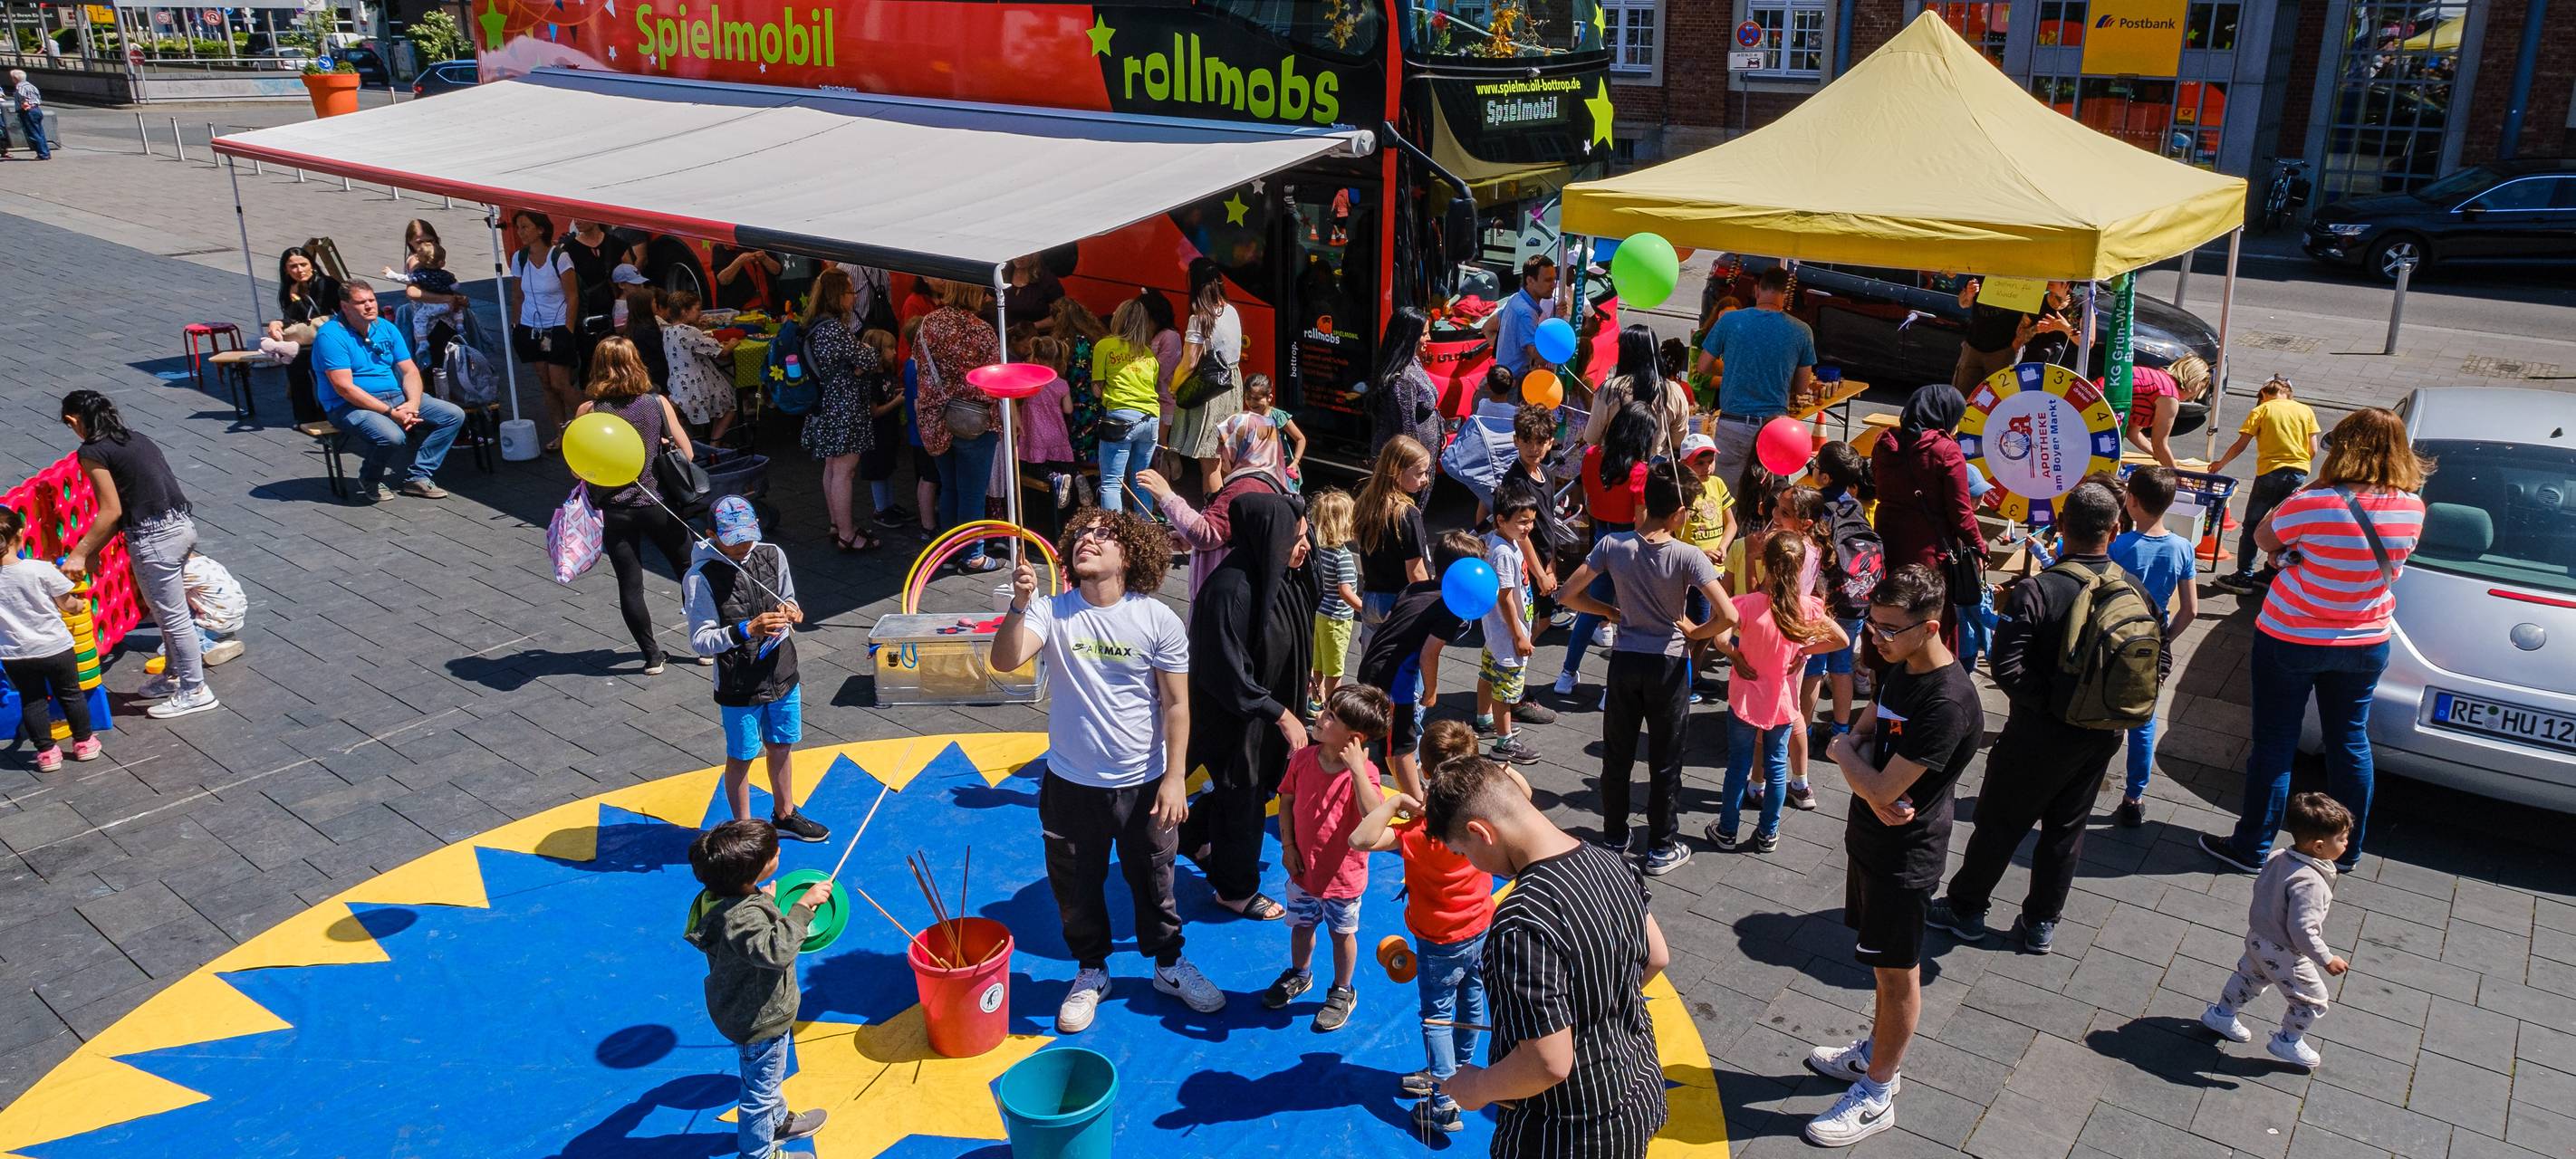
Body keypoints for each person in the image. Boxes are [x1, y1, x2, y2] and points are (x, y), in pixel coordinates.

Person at [987, 508, 1230, 1030]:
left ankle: (1168, 965)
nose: (1088, 541)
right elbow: (1005, 661)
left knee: (1155, 882)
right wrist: (1018, 605)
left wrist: (1173, 778)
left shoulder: (1156, 618)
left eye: (1104, 536)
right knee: (1075, 886)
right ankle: (1092, 971)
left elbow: (1177, 706)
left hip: (1144, 784)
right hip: (1071, 784)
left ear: (1130, 555)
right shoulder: (1049, 611)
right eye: (1082, 535)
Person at [2202, 408, 2426, 876]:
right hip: (2365, 643)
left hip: (2291, 637)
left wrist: (2294, 552)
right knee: (2349, 743)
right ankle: (2347, 850)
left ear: (2343, 447)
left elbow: (2264, 539)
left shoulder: (2315, 500)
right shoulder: (2412, 507)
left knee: (2274, 744)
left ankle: (2251, 848)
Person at [1805, 564, 1984, 1148]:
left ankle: (1879, 1090)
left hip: (1906, 856)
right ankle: (1875, 1052)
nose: (1874, 639)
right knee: (1880, 968)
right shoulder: (1899, 667)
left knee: (1896, 973)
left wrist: (1848, 762)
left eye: (1887, 629)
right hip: (1872, 841)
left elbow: (1877, 781)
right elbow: (1860, 735)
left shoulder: (1949, 703)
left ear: (1929, 627)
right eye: (1872, 625)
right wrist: (1856, 762)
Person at [1926, 480, 2140, 955]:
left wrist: (2048, 707)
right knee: (2067, 830)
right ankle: (2041, 922)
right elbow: (2156, 662)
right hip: (2100, 735)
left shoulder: (2039, 590)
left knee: (2001, 822)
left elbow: (2007, 665)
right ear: (2116, 529)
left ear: (2061, 527)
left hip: (2038, 735)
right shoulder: (2133, 590)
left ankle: (1965, 909)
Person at [1431, 756, 1671, 1157]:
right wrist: (1590, 1009)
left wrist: (1478, 1087)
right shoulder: (1610, 862)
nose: (1472, 865)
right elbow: (1657, 956)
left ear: (1480, 831)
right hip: (1635, 1086)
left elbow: (1548, 1065)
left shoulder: (1520, 924)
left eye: (1462, 851)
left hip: (1567, 1130)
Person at [1560, 466, 1735, 874]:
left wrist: (1607, 611)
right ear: (1676, 513)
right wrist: (1696, 633)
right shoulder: (1688, 555)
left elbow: (1568, 593)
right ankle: (1660, 847)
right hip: (1668, 667)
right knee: (1665, 760)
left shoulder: (1613, 545)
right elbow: (1727, 614)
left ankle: (1615, 836)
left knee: (1617, 756)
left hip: (1624, 663)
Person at [1348, 721, 1501, 1135]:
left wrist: (1393, 803)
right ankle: (1459, 1076)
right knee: (1472, 1002)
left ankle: (1444, 1100)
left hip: (1439, 939)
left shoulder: (1419, 830)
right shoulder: (1479, 821)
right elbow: (1522, 790)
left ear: (1425, 769)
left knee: (1436, 1015)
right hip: (1481, 926)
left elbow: (1360, 840)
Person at [1180, 493, 1314, 924]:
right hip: (1238, 719)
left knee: (1250, 790)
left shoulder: (1277, 575)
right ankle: (1234, 890)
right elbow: (1226, 671)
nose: (1305, 546)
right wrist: (1279, 712)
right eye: (1295, 538)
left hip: (1267, 712)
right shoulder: (1229, 591)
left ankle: (1193, 834)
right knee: (1245, 795)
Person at [57, 391, 218, 719]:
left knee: (172, 618)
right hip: (180, 527)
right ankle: (174, 675)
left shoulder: (92, 451)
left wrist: (80, 552)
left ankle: (195, 689)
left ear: (74, 421)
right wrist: (96, 549)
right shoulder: (135, 438)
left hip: (154, 541)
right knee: (167, 613)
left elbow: (111, 510)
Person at [683, 496, 830, 845]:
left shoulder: (772, 554)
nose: (745, 546)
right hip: (739, 684)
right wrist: (746, 630)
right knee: (742, 755)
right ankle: (745, 830)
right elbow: (701, 641)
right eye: (735, 541)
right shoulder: (699, 578)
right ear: (711, 535)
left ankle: (785, 813)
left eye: (749, 537)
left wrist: (792, 611)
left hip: (782, 671)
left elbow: (789, 597)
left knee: (781, 745)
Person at [682, 819, 831, 1158]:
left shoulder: (717, 897)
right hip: (759, 1019)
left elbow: (741, 925)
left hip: (742, 1007)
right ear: (751, 873)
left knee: (766, 1078)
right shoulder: (743, 918)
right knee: (758, 1094)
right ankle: (760, 1153)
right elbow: (776, 951)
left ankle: (776, 1121)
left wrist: (760, 900)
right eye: (771, 854)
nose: (778, 851)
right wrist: (803, 907)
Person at [1263, 684, 1392, 1032]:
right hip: (1304, 871)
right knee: (1301, 925)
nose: (1320, 716)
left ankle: (1342, 990)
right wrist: (1288, 848)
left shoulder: (1365, 774)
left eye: (1331, 715)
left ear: (1355, 737)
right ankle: (1300, 974)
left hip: (1343, 878)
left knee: (1341, 934)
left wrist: (1355, 768)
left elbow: (1374, 815)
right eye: (1325, 709)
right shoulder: (1305, 758)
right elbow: (1286, 801)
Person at [1709, 534, 1849, 855]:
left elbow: (1719, 640)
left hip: (1744, 699)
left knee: (1738, 766)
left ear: (1764, 564)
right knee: (1776, 766)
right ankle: (1768, 833)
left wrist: (1736, 656)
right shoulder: (1806, 608)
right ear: (1800, 568)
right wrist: (1806, 652)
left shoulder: (1744, 605)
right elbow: (1841, 640)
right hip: (1783, 704)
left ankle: (1727, 830)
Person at [2200, 791, 2354, 1072]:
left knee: (2249, 978)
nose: (2347, 843)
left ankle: (2221, 1014)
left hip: (2259, 938)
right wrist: (2326, 958)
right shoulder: (2310, 883)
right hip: (2285, 950)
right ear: (2319, 846)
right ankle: (2288, 1040)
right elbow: (2303, 931)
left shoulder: (2281, 855)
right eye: (2342, 839)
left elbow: (2261, 889)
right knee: (2312, 999)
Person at [576, 337, 695, 674]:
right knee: (689, 571)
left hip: (614, 509)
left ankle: (652, 656)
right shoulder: (656, 404)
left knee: (630, 584)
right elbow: (688, 454)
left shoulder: (589, 411)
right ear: (636, 362)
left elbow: (577, 468)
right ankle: (704, 646)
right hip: (658, 502)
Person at [1357, 531, 1488, 800]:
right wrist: (1431, 690)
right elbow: (1429, 653)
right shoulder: (1451, 608)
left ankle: (1405, 789)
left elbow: (1392, 621)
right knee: (1403, 744)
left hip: (1373, 662)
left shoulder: (1415, 587)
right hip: (1394, 679)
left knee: (1388, 739)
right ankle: (1417, 803)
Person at [311, 280, 467, 503]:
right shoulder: (331, 336)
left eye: (371, 300)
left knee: (452, 415)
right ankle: (370, 478)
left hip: (395, 397)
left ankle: (418, 476)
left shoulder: (385, 327)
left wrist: (412, 404)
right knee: (392, 437)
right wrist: (390, 413)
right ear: (345, 306)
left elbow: (410, 371)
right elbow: (344, 388)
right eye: (360, 302)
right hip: (349, 405)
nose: (369, 306)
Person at [1550, 404, 1659, 701]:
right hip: (1628, 542)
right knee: (1627, 615)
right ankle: (1610, 690)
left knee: (1591, 608)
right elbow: (1640, 519)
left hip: (1601, 535)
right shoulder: (1639, 471)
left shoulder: (1591, 455)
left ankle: (1566, 673)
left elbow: (1587, 495)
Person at [2108, 466, 2197, 828]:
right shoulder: (2182, 548)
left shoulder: (2118, 547)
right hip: (2151, 647)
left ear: (2130, 501)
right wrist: (2164, 640)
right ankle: (2134, 796)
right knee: (2144, 723)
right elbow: (2191, 609)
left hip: (2111, 641)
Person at [1871, 385, 1984, 653]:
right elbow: (1961, 512)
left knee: (1888, 617)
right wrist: (1980, 547)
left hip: (1886, 544)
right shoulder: (1945, 451)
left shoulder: (1884, 443)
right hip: (1927, 552)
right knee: (1924, 624)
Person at [1139, 413, 1288, 596]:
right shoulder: (1269, 482)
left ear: (1244, 444)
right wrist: (1189, 538)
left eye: (1223, 443)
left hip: (1221, 597)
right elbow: (1229, 533)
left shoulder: (1245, 486)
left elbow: (1207, 534)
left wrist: (1166, 495)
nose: (1218, 451)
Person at [1694, 267, 1816, 487]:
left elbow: (1702, 366)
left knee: (1727, 501)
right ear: (1785, 294)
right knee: (1769, 501)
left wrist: (1736, 365)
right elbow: (1801, 386)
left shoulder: (1730, 321)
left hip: (1733, 424)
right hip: (1775, 429)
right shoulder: (1801, 331)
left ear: (1757, 290)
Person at [916, 282, 1005, 572]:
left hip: (936, 420)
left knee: (950, 487)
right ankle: (973, 555)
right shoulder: (981, 331)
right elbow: (993, 381)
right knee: (973, 492)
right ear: (974, 293)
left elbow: (920, 366)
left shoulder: (929, 323)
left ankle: (949, 552)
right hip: (974, 420)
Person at [0, 509, 96, 770]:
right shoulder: (39, 569)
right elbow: (67, 604)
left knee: (33, 700)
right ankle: (84, 742)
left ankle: (46, 753)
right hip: (55, 647)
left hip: (15, 653)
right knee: (70, 694)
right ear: (20, 534)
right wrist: (79, 606)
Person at [797, 268, 881, 552]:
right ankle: (847, 533)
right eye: (850, 292)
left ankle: (837, 524)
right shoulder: (834, 328)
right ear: (837, 295)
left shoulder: (815, 325)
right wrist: (861, 363)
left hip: (827, 405)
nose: (854, 297)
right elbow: (868, 357)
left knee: (832, 468)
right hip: (843, 408)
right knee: (844, 470)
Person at [1803, 441, 1877, 764]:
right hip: (1856, 598)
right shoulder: (1856, 506)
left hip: (1827, 601)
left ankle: (1802, 730)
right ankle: (1841, 730)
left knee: (1814, 667)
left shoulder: (1819, 507)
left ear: (1825, 476)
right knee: (1843, 665)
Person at [2211, 377, 2321, 592]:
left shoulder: (2261, 411)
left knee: (2252, 525)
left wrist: (2220, 464)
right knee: (2283, 526)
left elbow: (2241, 445)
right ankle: (2272, 573)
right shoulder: (2305, 411)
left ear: (2262, 394)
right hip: (2299, 473)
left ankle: (2244, 577)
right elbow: (2313, 450)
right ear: (2289, 393)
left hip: (2270, 473)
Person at [1475, 480, 1545, 764]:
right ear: (1501, 520)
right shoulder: (1504, 553)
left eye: (1531, 521)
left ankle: (1483, 719)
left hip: (1496, 635)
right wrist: (1519, 635)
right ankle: (1504, 742)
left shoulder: (1501, 541)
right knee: (1506, 690)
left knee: (1488, 676)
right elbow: (1505, 598)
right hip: (1507, 635)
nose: (1528, 527)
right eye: (1522, 522)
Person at [506, 210, 582, 449]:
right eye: (518, 228)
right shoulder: (519, 257)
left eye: (525, 227)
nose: (521, 232)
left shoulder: (559, 257)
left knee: (560, 382)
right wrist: (516, 325)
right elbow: (517, 295)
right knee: (546, 383)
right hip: (533, 328)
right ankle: (562, 433)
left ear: (540, 229)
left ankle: (590, 424)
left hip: (557, 326)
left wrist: (568, 330)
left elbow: (572, 296)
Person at [1168, 259, 1245, 493]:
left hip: (1211, 388)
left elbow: (1189, 363)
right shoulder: (1231, 310)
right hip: (1232, 383)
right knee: (1225, 456)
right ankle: (1231, 507)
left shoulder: (1200, 318)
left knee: (1210, 461)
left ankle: (1214, 516)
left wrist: (1174, 386)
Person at [1091, 297, 1166, 518]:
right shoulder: (1149, 355)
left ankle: (1114, 538)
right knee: (1141, 479)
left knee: (1112, 484)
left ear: (1118, 320)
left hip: (1120, 419)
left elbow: (1097, 390)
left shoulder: (1104, 346)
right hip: (1150, 420)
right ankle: (1146, 535)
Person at [1352, 435, 1433, 637]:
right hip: (1398, 603)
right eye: (1420, 473)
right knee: (1404, 666)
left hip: (1371, 599)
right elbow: (1416, 574)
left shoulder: (1366, 503)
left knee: (1372, 663)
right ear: (1397, 472)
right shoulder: (1407, 514)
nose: (1426, 480)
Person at [1585, 324, 1692, 458]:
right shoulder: (1674, 391)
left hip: (1614, 469)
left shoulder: (1610, 389)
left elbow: (1592, 436)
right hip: (1656, 471)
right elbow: (1679, 442)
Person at [269, 247, 341, 426]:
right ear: (285, 270)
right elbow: (293, 319)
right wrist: (277, 323)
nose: (299, 270)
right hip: (306, 340)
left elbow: (309, 317)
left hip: (329, 338)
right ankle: (305, 417)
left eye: (303, 264)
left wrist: (295, 299)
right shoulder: (289, 288)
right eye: (293, 266)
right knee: (293, 363)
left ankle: (328, 415)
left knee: (313, 366)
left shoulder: (326, 284)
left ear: (312, 266)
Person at [379, 238, 467, 381]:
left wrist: (390, 273)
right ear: (441, 263)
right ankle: (460, 324)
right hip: (448, 308)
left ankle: (422, 340)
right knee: (457, 310)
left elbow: (403, 279)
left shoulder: (421, 275)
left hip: (432, 308)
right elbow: (455, 287)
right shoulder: (446, 274)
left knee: (420, 318)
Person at [658, 290, 740, 445]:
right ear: (684, 311)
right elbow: (722, 352)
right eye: (697, 309)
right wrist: (732, 343)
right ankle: (715, 443)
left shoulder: (668, 331)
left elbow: (690, 345)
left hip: (677, 386)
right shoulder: (690, 332)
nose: (700, 313)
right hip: (695, 388)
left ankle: (706, 441)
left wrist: (698, 330)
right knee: (731, 403)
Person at [1308, 488, 1363, 710]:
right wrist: (1366, 609)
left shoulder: (1318, 550)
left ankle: (1315, 699)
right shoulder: (1343, 557)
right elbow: (1345, 592)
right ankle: (1332, 708)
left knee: (1318, 662)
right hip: (1337, 620)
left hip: (1319, 612)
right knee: (1335, 668)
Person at [1367, 307, 1443, 465]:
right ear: (1409, 337)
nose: (1429, 338)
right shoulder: (1402, 380)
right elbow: (1406, 430)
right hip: (1406, 466)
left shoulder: (1414, 362)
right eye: (1423, 334)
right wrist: (1416, 465)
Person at [1018, 336, 1082, 510]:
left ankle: (1056, 479)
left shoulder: (1030, 382)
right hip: (1057, 433)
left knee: (1034, 466)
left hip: (1036, 434)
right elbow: (1068, 409)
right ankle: (1076, 475)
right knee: (1064, 463)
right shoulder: (1062, 384)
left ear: (1036, 360)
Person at [1947, 275, 2036, 392]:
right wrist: (1968, 294)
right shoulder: (1983, 269)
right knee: (1960, 395)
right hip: (1973, 347)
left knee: (1995, 400)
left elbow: (2032, 314)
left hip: (2003, 351)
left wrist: (2016, 345)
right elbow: (1963, 303)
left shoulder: (2027, 276)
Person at [2123, 356, 2211, 470]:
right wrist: (2178, 476)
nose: (2195, 395)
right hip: (2100, 421)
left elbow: (2132, 432)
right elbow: (2159, 445)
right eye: (2202, 387)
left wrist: (2159, 456)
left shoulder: (2158, 379)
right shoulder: (2169, 396)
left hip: (2096, 409)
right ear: (2197, 382)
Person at [1491, 254, 1562, 380]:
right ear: (1530, 281)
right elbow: (1538, 357)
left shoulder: (1514, 298)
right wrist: (1555, 324)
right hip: (1515, 385)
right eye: (1547, 280)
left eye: (1554, 279)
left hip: (1506, 379)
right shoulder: (1526, 313)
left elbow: (1488, 327)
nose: (1553, 285)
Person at [179, 550, 247, 667]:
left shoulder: (185, 572)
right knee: (203, 600)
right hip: (230, 618)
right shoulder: (206, 562)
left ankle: (207, 646)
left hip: (215, 621)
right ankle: (224, 637)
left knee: (173, 611)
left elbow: (167, 600)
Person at [1241, 374, 1305, 492]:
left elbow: (1300, 439)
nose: (1251, 403)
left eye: (1256, 399)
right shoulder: (1246, 417)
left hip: (1282, 471)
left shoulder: (1278, 416)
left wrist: (1295, 462)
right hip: (1259, 470)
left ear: (1269, 398)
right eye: (1248, 398)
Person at [7, 71, 47, 161]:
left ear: (16, 79)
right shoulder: (32, 86)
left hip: (28, 111)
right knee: (40, 132)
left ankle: (42, 154)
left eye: (12, 78)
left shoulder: (20, 86)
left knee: (34, 133)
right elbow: (38, 97)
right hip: (37, 109)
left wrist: (24, 105)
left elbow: (22, 97)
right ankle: (46, 153)